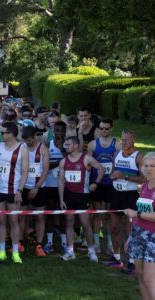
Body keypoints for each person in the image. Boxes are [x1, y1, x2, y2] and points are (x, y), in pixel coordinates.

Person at [58, 136, 104, 262]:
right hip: (69, 195)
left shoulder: (86, 158)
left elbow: (101, 169)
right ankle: (70, 251)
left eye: (68, 145)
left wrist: (96, 183)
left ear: (76, 145)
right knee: (69, 222)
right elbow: (61, 181)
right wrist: (61, 199)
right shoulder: (63, 161)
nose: (65, 147)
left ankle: (91, 250)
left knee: (85, 224)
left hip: (82, 196)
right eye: (65, 145)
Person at [0, 122, 29, 264]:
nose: (1, 135)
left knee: (14, 221)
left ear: (12, 134)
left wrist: (20, 190)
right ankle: (1, 251)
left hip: (14, 190)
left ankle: (15, 252)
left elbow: (25, 171)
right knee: (1, 221)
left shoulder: (22, 149)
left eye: (3, 133)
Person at [110, 129, 144, 272]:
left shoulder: (138, 157)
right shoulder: (116, 154)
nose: (123, 143)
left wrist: (125, 176)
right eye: (122, 140)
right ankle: (116, 257)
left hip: (131, 195)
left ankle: (131, 260)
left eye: (126, 140)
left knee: (130, 229)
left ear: (133, 140)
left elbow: (144, 178)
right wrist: (113, 176)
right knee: (114, 227)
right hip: (116, 194)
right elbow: (113, 172)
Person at [87, 118, 121, 253]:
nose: (104, 131)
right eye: (101, 128)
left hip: (111, 184)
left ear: (111, 128)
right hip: (97, 183)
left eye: (106, 128)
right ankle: (96, 243)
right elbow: (88, 165)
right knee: (97, 214)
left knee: (108, 215)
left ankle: (110, 243)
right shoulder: (92, 145)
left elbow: (119, 164)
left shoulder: (117, 145)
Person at [125, 152, 155, 300]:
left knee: (150, 279)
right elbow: (139, 215)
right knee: (141, 276)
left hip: (153, 238)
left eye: (152, 166)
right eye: (146, 166)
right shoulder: (143, 187)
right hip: (138, 234)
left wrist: (137, 214)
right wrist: (130, 238)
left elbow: (139, 214)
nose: (149, 169)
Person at [21, 126, 49, 257]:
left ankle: (39, 244)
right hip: (23, 186)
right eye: (25, 140)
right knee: (21, 215)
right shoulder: (22, 147)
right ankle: (20, 242)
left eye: (29, 139)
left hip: (39, 187)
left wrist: (37, 187)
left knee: (39, 216)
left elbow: (45, 170)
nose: (28, 142)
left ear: (35, 136)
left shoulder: (42, 149)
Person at [42, 121, 67, 254]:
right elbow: (45, 166)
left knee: (63, 213)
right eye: (57, 131)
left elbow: (70, 162)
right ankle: (50, 241)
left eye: (62, 131)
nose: (60, 133)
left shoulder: (68, 145)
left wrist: (63, 149)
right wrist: (59, 163)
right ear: (53, 131)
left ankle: (63, 242)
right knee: (50, 213)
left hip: (64, 184)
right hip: (50, 183)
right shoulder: (48, 144)